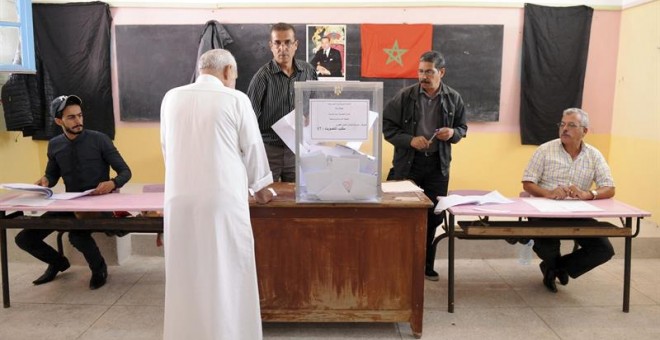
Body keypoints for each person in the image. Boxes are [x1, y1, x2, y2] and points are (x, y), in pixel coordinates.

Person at [160, 49, 274, 340]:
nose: (234, 80)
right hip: (222, 201)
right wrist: (261, 190)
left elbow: (167, 149)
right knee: (227, 270)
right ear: (227, 72)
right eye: (235, 75)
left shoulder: (171, 97)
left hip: (179, 199)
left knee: (187, 271)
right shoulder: (234, 98)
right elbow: (253, 149)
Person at [14, 95, 132, 290]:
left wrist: (112, 183)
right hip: (69, 203)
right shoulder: (55, 145)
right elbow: (51, 175)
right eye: (71, 117)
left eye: (80, 115)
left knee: (77, 236)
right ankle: (58, 263)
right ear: (59, 121)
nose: (78, 121)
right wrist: (45, 182)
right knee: (24, 238)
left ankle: (99, 269)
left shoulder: (100, 139)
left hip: (98, 203)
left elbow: (125, 172)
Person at [383, 51, 468, 281]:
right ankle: (398, 264)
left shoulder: (453, 98)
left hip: (437, 167)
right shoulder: (405, 96)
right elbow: (387, 128)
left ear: (441, 72)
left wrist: (453, 133)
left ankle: (425, 265)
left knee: (433, 217)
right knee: (402, 216)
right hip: (408, 165)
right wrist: (409, 140)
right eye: (420, 71)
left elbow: (462, 128)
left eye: (429, 72)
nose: (423, 76)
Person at [522, 108, 615, 293]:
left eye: (571, 125)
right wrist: (548, 193)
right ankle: (553, 264)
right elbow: (527, 183)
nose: (565, 129)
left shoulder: (593, 155)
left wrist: (589, 194)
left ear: (585, 131)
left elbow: (609, 188)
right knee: (547, 247)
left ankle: (557, 268)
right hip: (543, 214)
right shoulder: (545, 150)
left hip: (577, 214)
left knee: (603, 249)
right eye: (562, 124)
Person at [247, 22, 317, 182]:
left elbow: (315, 101)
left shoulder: (308, 71)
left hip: (297, 148)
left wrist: (309, 118)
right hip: (269, 150)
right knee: (267, 196)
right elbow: (249, 118)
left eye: (287, 43)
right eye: (277, 43)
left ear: (295, 45)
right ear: (271, 45)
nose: (282, 48)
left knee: (297, 194)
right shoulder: (262, 77)